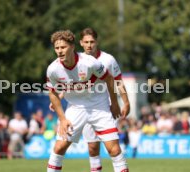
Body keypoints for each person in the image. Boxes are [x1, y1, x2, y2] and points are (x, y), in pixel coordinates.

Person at [46, 30, 128, 172]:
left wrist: (115, 103)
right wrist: (62, 119)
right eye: (57, 48)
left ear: (72, 47)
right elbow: (52, 93)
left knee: (114, 150)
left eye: (63, 47)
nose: (59, 51)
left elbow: (109, 79)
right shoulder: (53, 69)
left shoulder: (90, 62)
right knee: (59, 147)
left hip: (99, 106)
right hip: (75, 108)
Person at [79, 27, 130, 171]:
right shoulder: (77, 60)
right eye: (86, 42)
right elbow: (71, 84)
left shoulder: (108, 59)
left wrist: (125, 102)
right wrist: (59, 95)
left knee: (113, 150)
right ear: (81, 43)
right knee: (92, 149)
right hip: (84, 110)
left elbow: (119, 81)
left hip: (104, 108)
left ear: (97, 42)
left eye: (92, 41)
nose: (89, 45)